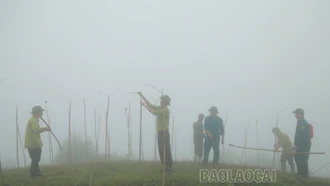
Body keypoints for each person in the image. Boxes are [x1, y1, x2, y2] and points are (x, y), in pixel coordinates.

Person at [138, 92, 173, 174]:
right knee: (161, 150)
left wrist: (144, 106)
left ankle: (168, 167)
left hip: (164, 132)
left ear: (165, 102)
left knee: (166, 150)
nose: (160, 102)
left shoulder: (165, 110)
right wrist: (142, 95)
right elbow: (150, 104)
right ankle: (164, 167)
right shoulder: (160, 108)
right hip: (160, 133)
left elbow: (153, 112)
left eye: (162, 101)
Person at [24, 106, 51, 178]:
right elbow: (35, 130)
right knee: (35, 159)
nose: (42, 114)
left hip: (34, 143)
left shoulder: (35, 119)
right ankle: (33, 174)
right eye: (41, 112)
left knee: (36, 158)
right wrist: (45, 128)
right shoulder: (33, 120)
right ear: (37, 113)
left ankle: (37, 172)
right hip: (33, 143)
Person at [292, 108, 311, 179]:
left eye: (296, 114)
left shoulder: (303, 124)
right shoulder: (299, 123)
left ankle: (305, 175)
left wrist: (298, 145)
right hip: (299, 145)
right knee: (296, 156)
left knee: (304, 159)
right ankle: (300, 172)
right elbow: (297, 135)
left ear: (300, 114)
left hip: (305, 145)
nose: (295, 115)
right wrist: (295, 144)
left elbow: (303, 136)